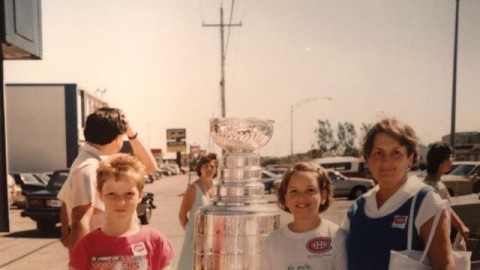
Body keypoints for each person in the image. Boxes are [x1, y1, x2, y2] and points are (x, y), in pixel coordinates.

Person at [338, 118, 455, 269]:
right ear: (368, 158)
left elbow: (444, 265)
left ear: (410, 158)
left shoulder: (425, 202)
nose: (386, 161)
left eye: (396, 153)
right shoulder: (356, 209)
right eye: (378, 153)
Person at [57, 107, 157, 252]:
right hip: (105, 256)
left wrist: (131, 134)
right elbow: (80, 222)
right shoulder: (89, 168)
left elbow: (149, 166)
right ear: (117, 138)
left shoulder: (98, 163)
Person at [69, 153, 174, 270]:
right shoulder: (85, 246)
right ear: (100, 195)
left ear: (140, 195)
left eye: (129, 194)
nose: (120, 202)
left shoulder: (156, 242)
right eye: (111, 194)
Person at [260, 161, 339, 270]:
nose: (301, 197)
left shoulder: (337, 236)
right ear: (286, 198)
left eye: (310, 190)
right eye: (294, 191)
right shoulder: (272, 242)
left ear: (323, 196)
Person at [177, 153, 218, 270]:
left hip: (215, 237)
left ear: (216, 169)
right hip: (196, 237)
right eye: (205, 166)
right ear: (200, 168)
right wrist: (192, 230)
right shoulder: (193, 189)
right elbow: (182, 215)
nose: (209, 169)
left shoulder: (218, 188)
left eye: (212, 166)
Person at [424, 142, 470, 240]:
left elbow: (447, 208)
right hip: (436, 240)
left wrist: (461, 226)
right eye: (450, 157)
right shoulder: (436, 188)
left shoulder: (431, 185)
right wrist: (461, 226)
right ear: (441, 162)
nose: (452, 160)